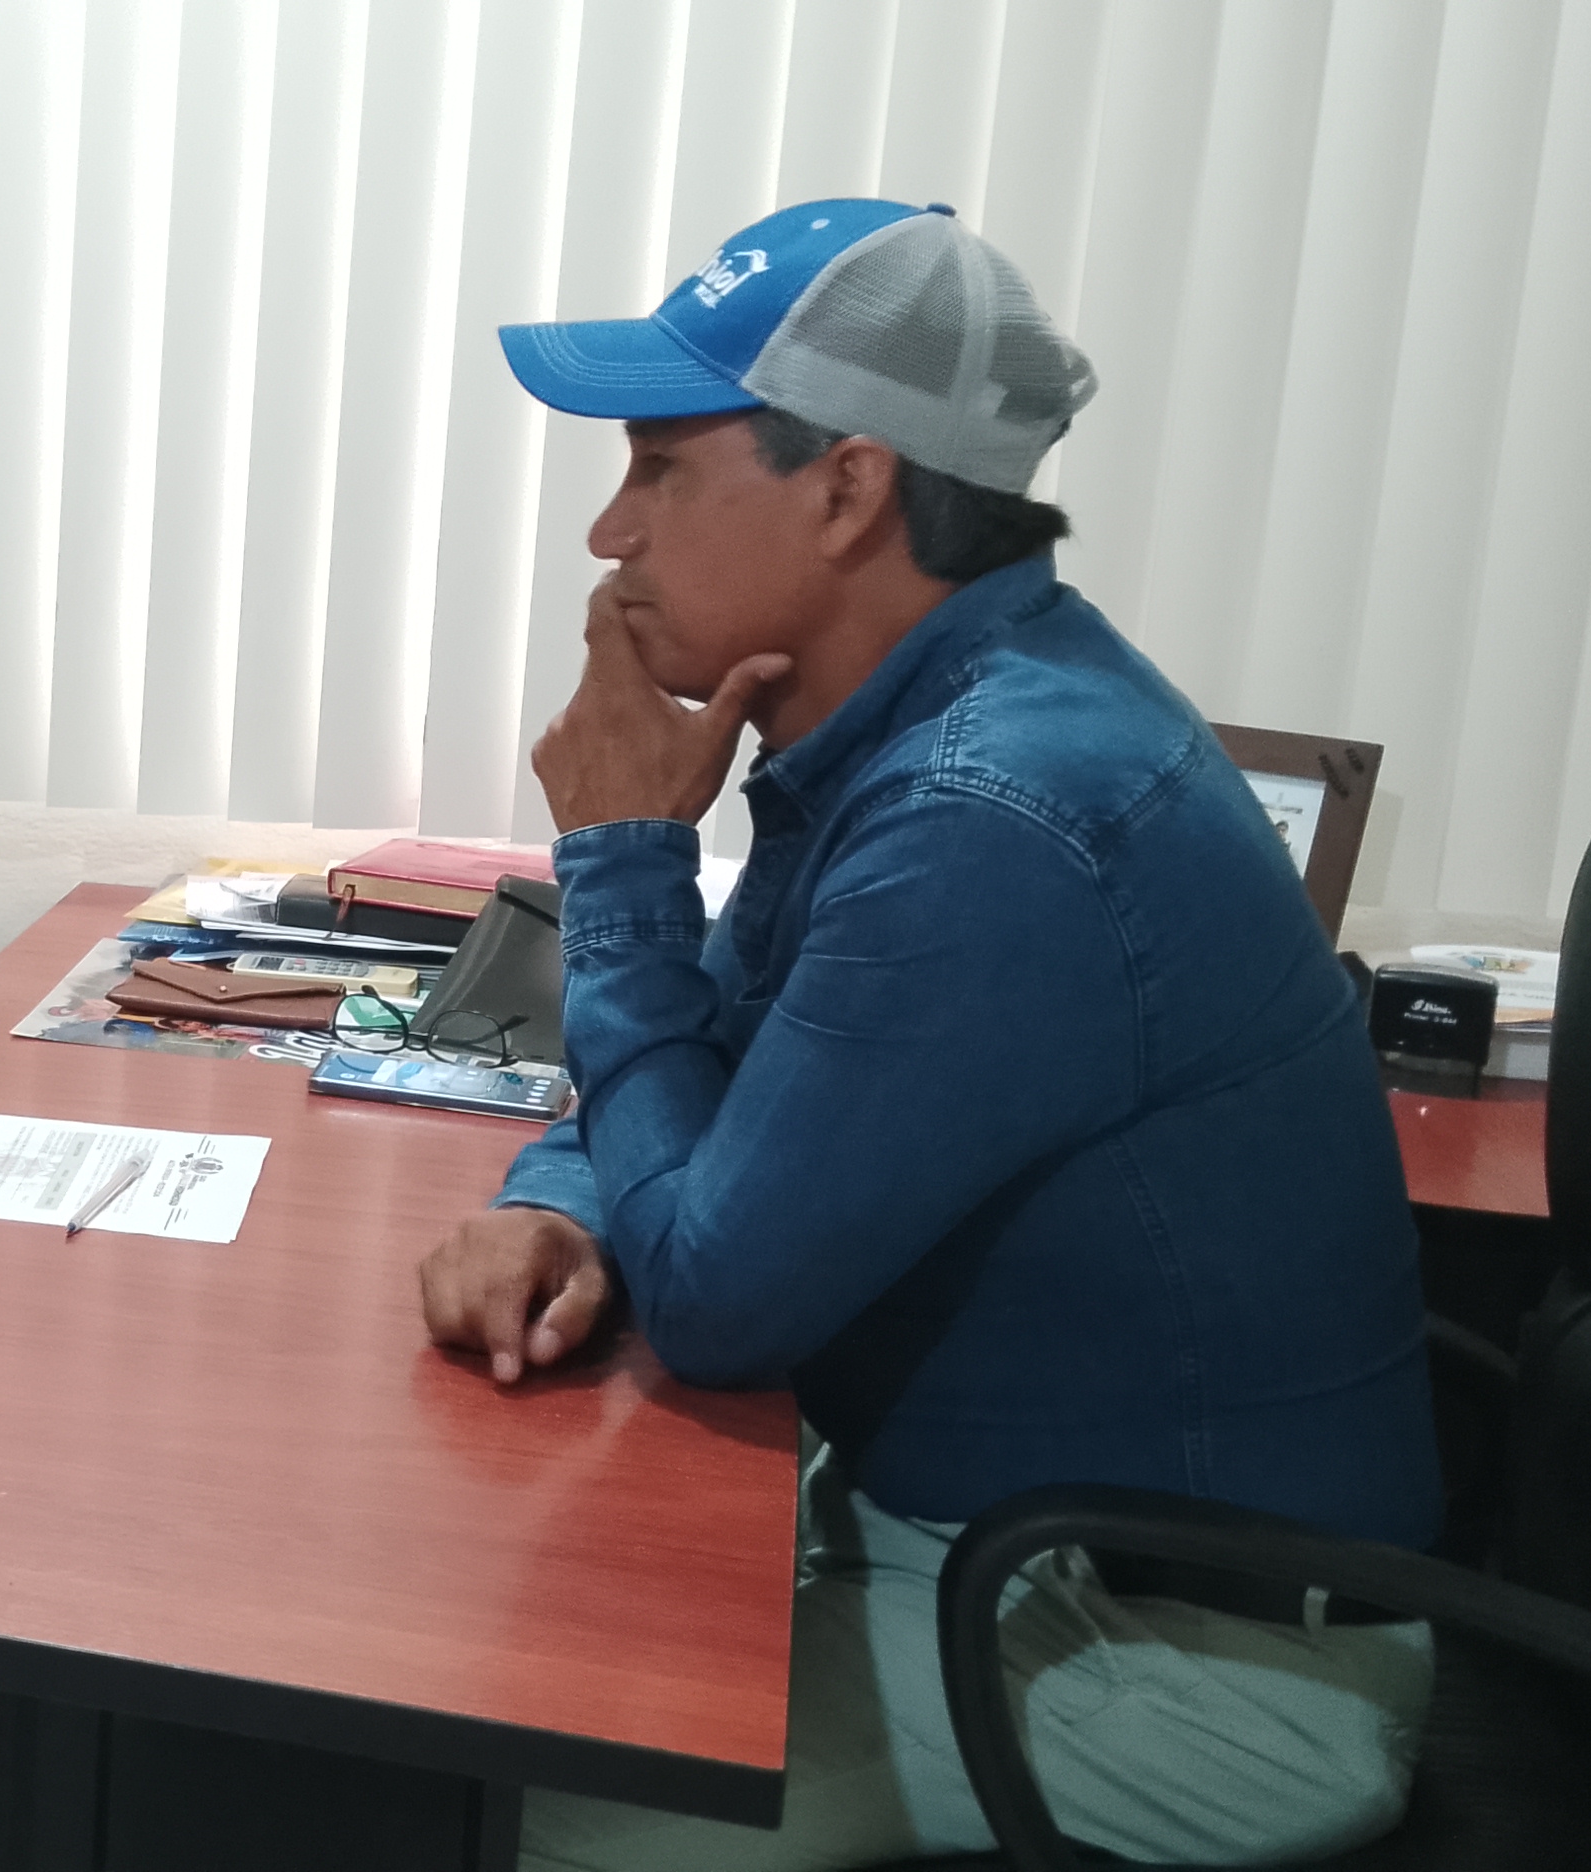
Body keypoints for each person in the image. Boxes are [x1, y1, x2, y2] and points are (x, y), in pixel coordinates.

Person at [420, 199, 1442, 1870]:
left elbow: (720, 1303)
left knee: (500, 1800)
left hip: (1190, 1667)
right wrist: (560, 1203)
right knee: (471, 1647)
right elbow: (716, 1062)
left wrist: (620, 857)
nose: (610, 532)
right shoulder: (931, 724)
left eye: (660, 469)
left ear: (848, 489)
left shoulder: (998, 815)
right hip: (983, 1547)